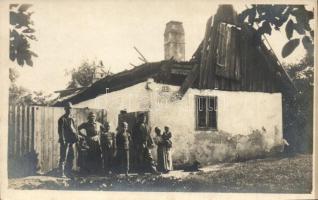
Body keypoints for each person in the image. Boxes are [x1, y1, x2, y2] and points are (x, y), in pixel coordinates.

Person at [57, 102, 78, 178]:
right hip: (65, 141)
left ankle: (69, 172)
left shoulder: (71, 119)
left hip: (71, 141)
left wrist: (76, 138)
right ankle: (61, 173)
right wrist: (63, 140)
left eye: (70, 108)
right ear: (65, 109)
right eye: (68, 108)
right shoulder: (62, 119)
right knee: (63, 157)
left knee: (71, 157)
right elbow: (60, 131)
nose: (69, 110)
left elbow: (74, 129)